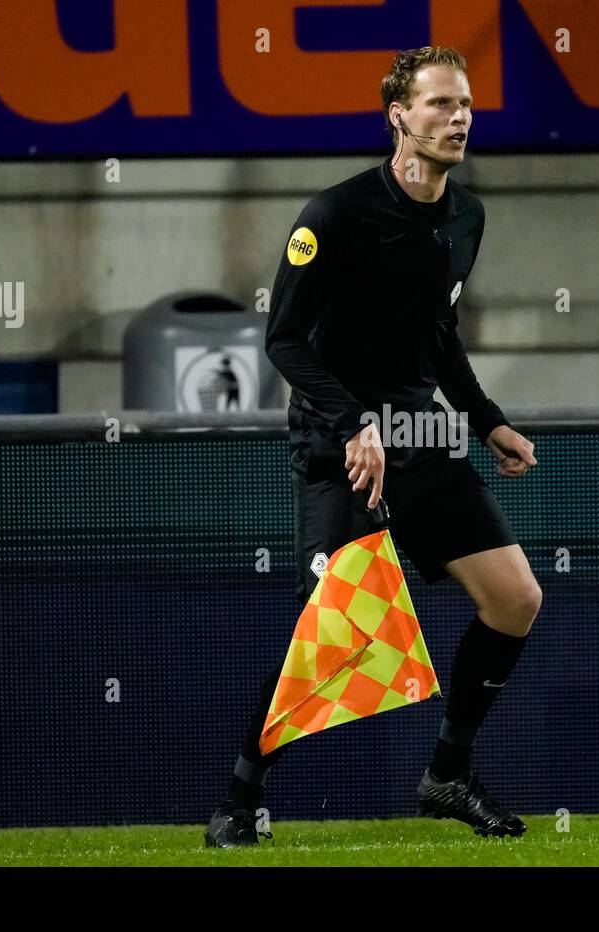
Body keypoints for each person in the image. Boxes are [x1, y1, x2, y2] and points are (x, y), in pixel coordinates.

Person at [206, 46, 541, 847]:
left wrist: (486, 417)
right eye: (439, 105)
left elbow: (438, 331)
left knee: (516, 598)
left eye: (465, 104)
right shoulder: (334, 215)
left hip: (419, 441)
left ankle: (447, 775)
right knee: (335, 632)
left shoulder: (467, 215)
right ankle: (240, 799)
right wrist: (354, 422)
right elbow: (284, 341)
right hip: (338, 445)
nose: (458, 118)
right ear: (398, 116)